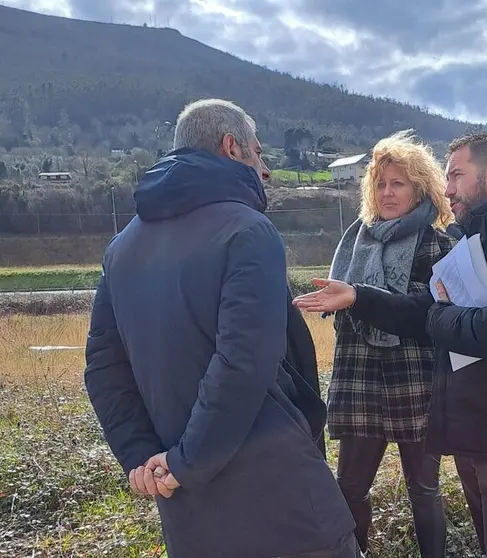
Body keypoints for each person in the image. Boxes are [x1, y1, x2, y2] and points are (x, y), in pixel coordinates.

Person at [83, 98, 357, 558]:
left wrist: (141, 456)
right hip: (276, 490)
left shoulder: (122, 247)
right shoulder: (248, 230)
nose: (265, 169)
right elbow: (243, 362)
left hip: (186, 503)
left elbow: (104, 367)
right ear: (231, 148)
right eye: (258, 151)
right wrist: (188, 460)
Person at [294, 133, 487, 558]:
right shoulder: (485, 237)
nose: (447, 189)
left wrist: (436, 316)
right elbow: (427, 306)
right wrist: (359, 296)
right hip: (483, 423)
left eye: (457, 175)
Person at [321, 130, 456, 557]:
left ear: (420, 188)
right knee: (350, 489)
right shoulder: (355, 240)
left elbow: (427, 309)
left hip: (414, 379)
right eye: (380, 184)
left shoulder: (437, 242)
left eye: (397, 183)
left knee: (424, 488)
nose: (387, 192)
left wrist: (359, 297)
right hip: (359, 375)